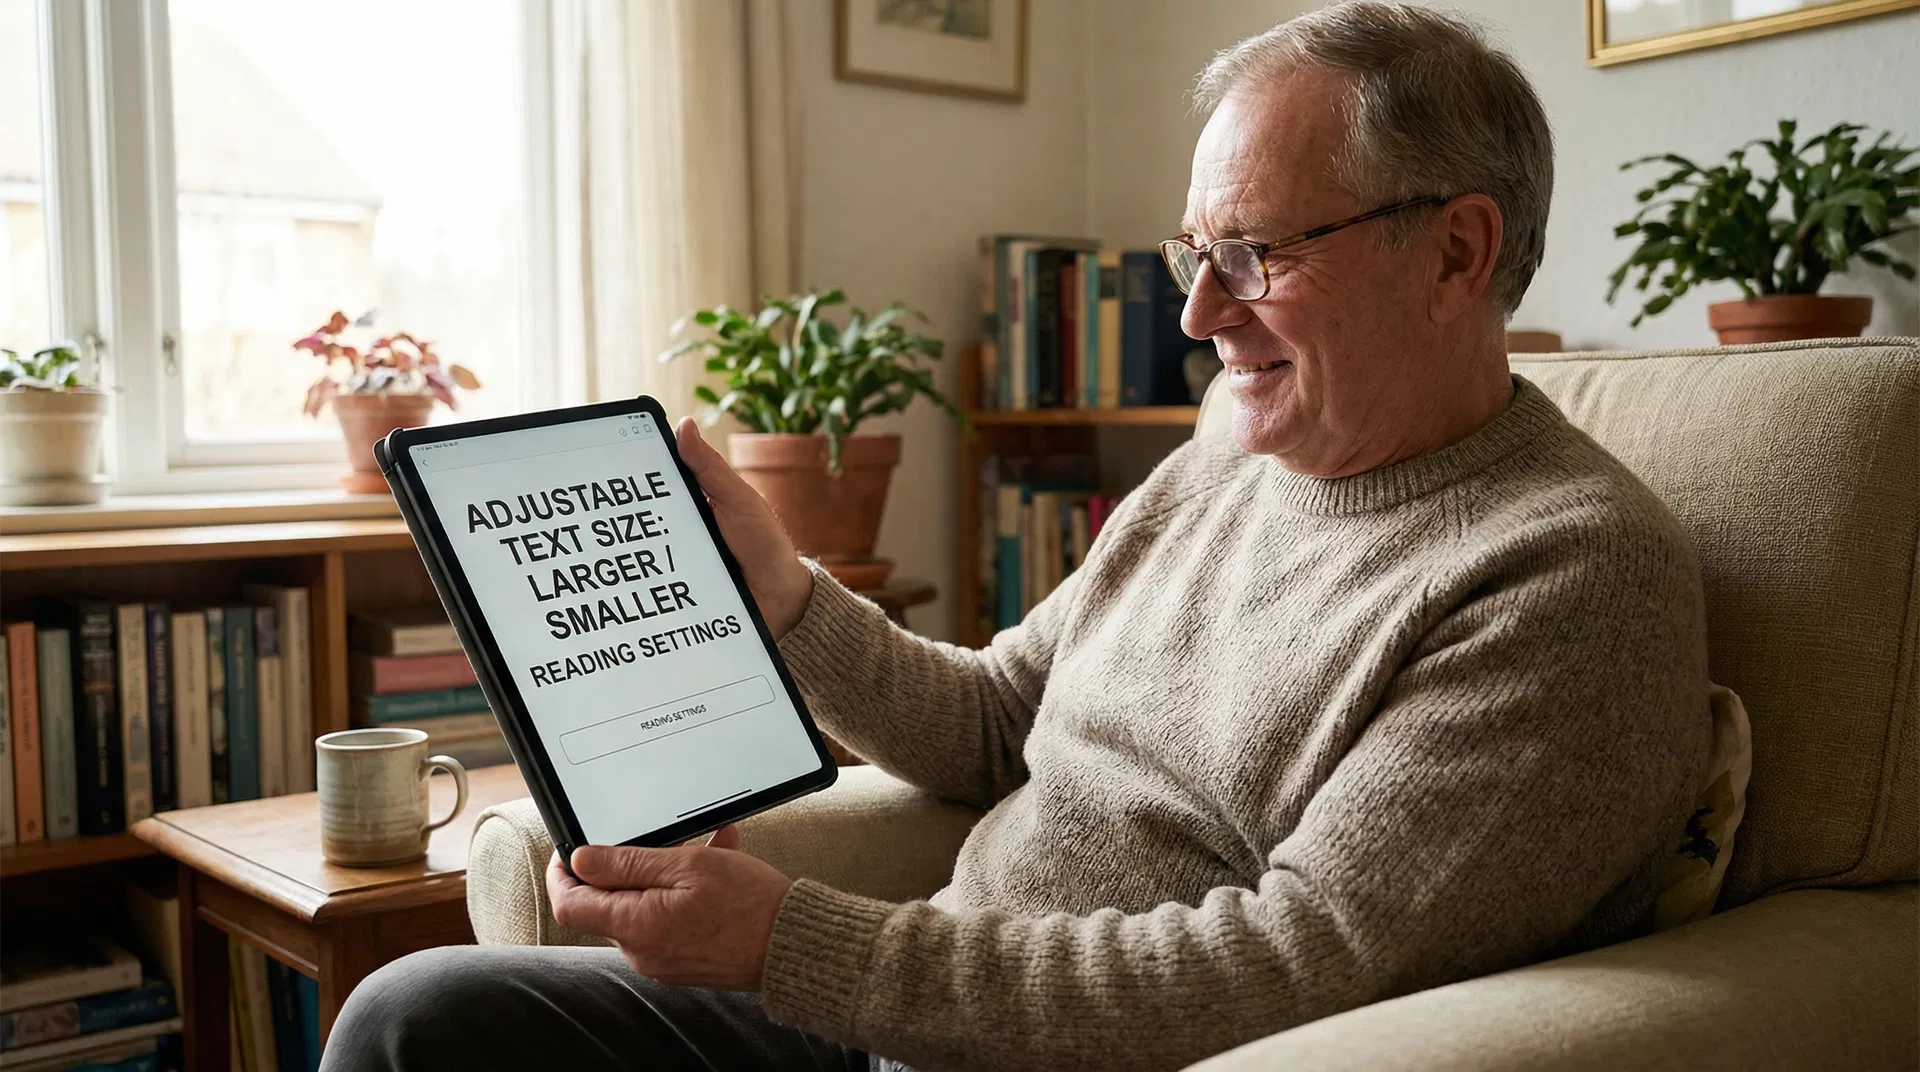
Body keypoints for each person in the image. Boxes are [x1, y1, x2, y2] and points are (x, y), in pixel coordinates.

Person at [324, 4, 1711, 1070]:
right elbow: (1000, 723)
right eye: (1194, 254)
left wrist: (792, 941)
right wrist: (782, 596)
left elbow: (1298, 964)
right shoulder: (1229, 455)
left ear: (1458, 254)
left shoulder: (1567, 575)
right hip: (910, 1017)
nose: (1199, 317)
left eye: (1256, 256)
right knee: (416, 1016)